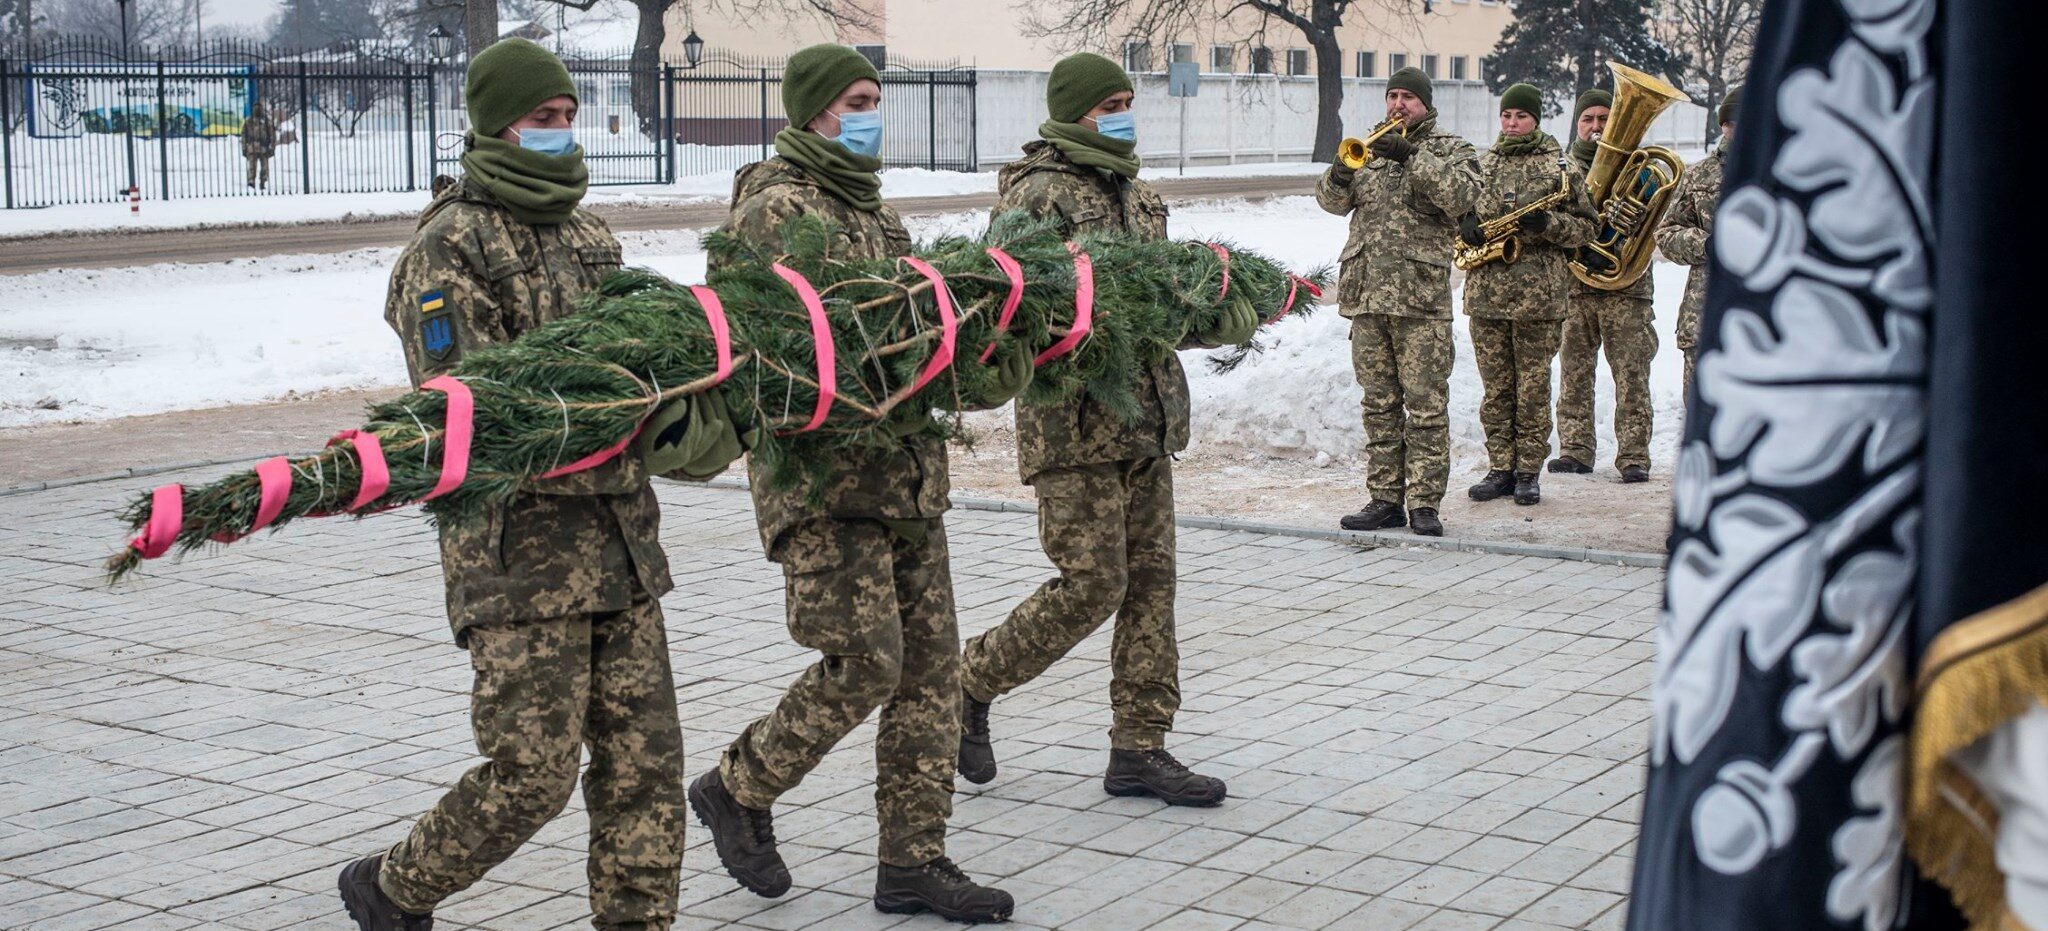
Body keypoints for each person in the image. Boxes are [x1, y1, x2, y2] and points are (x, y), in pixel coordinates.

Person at [336, 38, 740, 931]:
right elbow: (481, 410)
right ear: (495, 127)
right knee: (534, 773)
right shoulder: (446, 250)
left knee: (645, 764)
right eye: (541, 120)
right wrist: (622, 396)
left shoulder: (590, 232)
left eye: (567, 118)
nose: (562, 134)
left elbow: (644, 352)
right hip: (520, 559)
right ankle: (395, 886)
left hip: (623, 546)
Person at [686, 43, 1015, 924]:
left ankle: (914, 861)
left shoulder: (871, 209)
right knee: (867, 661)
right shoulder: (773, 211)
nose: (872, 113)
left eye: (876, 98)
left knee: (932, 675)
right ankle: (737, 784)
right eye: (858, 99)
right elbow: (767, 355)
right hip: (827, 483)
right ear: (816, 109)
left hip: (906, 478)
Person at [956, 52, 1255, 807]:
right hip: (1074, 419)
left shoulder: (1138, 192)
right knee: (1093, 582)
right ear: (1074, 110)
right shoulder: (1037, 193)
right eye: (1108, 103)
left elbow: (1155, 302)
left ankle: (1140, 748)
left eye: (1128, 99)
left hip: (1148, 416)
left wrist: (1211, 309)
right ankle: (972, 678)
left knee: (1153, 583)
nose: (1123, 112)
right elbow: (1011, 303)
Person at [1317, 65, 1481, 537]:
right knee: (1379, 405)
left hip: (1420, 302)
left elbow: (1464, 196)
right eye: (1392, 95)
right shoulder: (1368, 148)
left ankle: (1425, 503)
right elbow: (1330, 202)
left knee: (1426, 407)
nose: (1398, 104)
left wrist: (1411, 155)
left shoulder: (1451, 149)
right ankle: (1384, 498)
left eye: (1408, 96)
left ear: (1426, 104)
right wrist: (1341, 169)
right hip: (1367, 297)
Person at [1458, 83, 1597, 507]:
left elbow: (1589, 229)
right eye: (1507, 115)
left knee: (1533, 389)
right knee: (1496, 390)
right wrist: (1463, 225)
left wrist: (1550, 226)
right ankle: (1499, 467)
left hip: (1539, 300)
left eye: (1521, 115)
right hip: (1487, 296)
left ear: (1536, 119)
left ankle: (1527, 471)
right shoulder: (1480, 165)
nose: (1512, 123)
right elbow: (1454, 214)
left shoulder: (1561, 167)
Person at [1553, 88, 1657, 483]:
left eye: (1603, 119)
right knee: (1574, 373)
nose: (1595, 127)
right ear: (1577, 125)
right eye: (1588, 120)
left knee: (1632, 376)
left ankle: (1634, 456)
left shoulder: (1642, 168)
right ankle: (1575, 450)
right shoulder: (1559, 169)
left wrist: (1629, 214)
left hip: (1626, 289)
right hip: (1575, 286)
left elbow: (1655, 221)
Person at [1657, 86, 1737, 391]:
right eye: (1730, 122)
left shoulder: (1783, 170)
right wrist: (1705, 244)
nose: (1736, 128)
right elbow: (1666, 233)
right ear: (1723, 126)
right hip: (1703, 314)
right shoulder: (1700, 175)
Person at [242, 100, 275, 190]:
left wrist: (272, 147)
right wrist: (244, 147)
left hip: (263, 147)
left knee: (264, 167)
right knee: (252, 166)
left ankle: (263, 181)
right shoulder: (249, 121)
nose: (257, 110)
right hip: (252, 147)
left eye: (259, 108)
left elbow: (272, 134)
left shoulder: (266, 121)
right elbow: (244, 135)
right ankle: (251, 181)